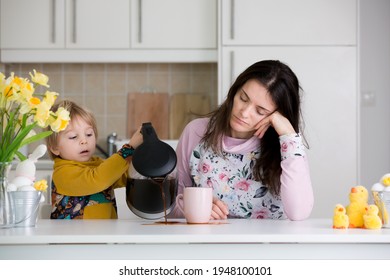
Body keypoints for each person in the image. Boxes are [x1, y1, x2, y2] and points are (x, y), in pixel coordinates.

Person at [172, 60, 314, 221]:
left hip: (269, 245)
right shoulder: (197, 132)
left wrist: (289, 134)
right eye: (243, 98)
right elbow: (172, 203)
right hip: (210, 244)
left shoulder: (287, 146)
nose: (244, 113)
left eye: (260, 111)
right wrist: (193, 208)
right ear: (234, 91)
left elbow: (299, 213)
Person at [45, 100, 143, 219]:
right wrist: (129, 149)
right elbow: (98, 179)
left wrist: (142, 155)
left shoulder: (99, 164)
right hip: (73, 237)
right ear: (55, 148)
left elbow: (125, 176)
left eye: (89, 134)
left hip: (104, 235)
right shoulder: (62, 173)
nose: (84, 141)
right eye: (73, 137)